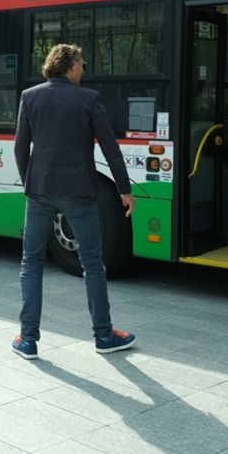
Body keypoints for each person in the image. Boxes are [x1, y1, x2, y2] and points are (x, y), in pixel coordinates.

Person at [11, 43, 136, 360]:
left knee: (32, 263)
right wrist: (124, 189)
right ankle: (103, 335)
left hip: (39, 191)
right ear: (68, 65)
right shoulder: (89, 99)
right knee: (93, 264)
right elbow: (110, 148)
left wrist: (31, 183)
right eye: (81, 63)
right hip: (79, 192)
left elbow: (19, 149)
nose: (84, 69)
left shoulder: (30, 97)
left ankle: (28, 339)